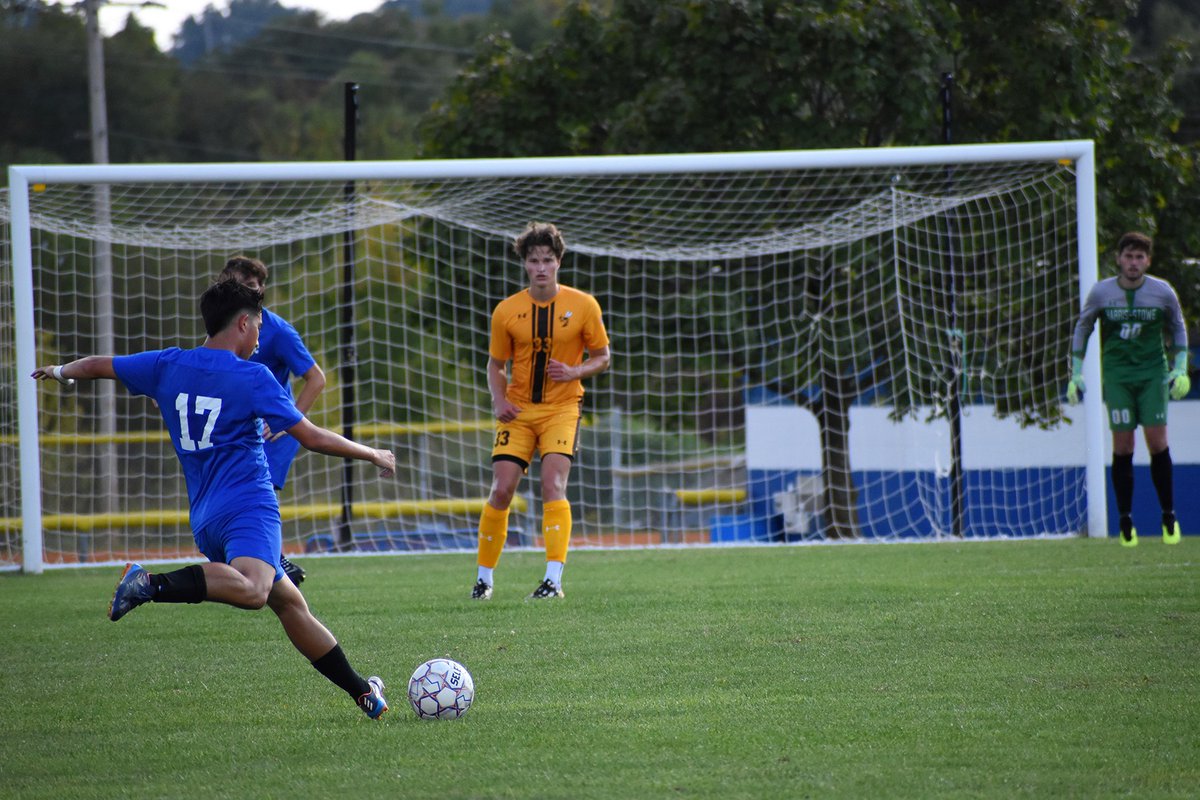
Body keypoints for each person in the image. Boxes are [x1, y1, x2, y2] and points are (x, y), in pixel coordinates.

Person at [32, 278, 396, 719]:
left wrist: (58, 371)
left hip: (205, 516)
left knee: (290, 604)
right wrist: (373, 452)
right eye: (258, 327)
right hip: (249, 505)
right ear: (243, 323)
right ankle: (150, 584)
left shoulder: (168, 364)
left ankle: (365, 695)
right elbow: (313, 437)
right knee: (256, 590)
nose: (260, 338)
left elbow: (99, 366)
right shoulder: (253, 376)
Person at [472, 222, 611, 601]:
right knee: (501, 489)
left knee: (553, 485)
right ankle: (484, 580)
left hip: (563, 408)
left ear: (559, 261)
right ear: (525, 264)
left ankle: (553, 580)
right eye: (533, 260)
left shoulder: (584, 306)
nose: (541, 267)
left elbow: (603, 357)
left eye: (547, 260)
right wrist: (499, 402)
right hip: (518, 411)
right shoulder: (507, 311)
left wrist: (574, 371)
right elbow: (495, 365)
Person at [1067, 231, 1190, 546]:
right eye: (1128, 256)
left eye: (1140, 257)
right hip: (1118, 376)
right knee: (1123, 446)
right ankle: (1125, 521)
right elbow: (1083, 327)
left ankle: (1168, 516)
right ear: (1119, 259)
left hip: (1152, 374)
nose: (1134, 263)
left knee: (1157, 441)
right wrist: (1076, 372)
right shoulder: (1101, 293)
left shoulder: (1162, 292)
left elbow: (1177, 327)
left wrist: (1179, 368)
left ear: (1147, 261)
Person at [219, 255, 325, 586]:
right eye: (238, 285)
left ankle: (272, 562)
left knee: (259, 492)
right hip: (237, 425)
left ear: (261, 290)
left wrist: (286, 422)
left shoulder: (277, 331)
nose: (245, 292)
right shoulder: (223, 325)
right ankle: (266, 561)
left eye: (251, 286)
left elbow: (316, 379)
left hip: (270, 430)